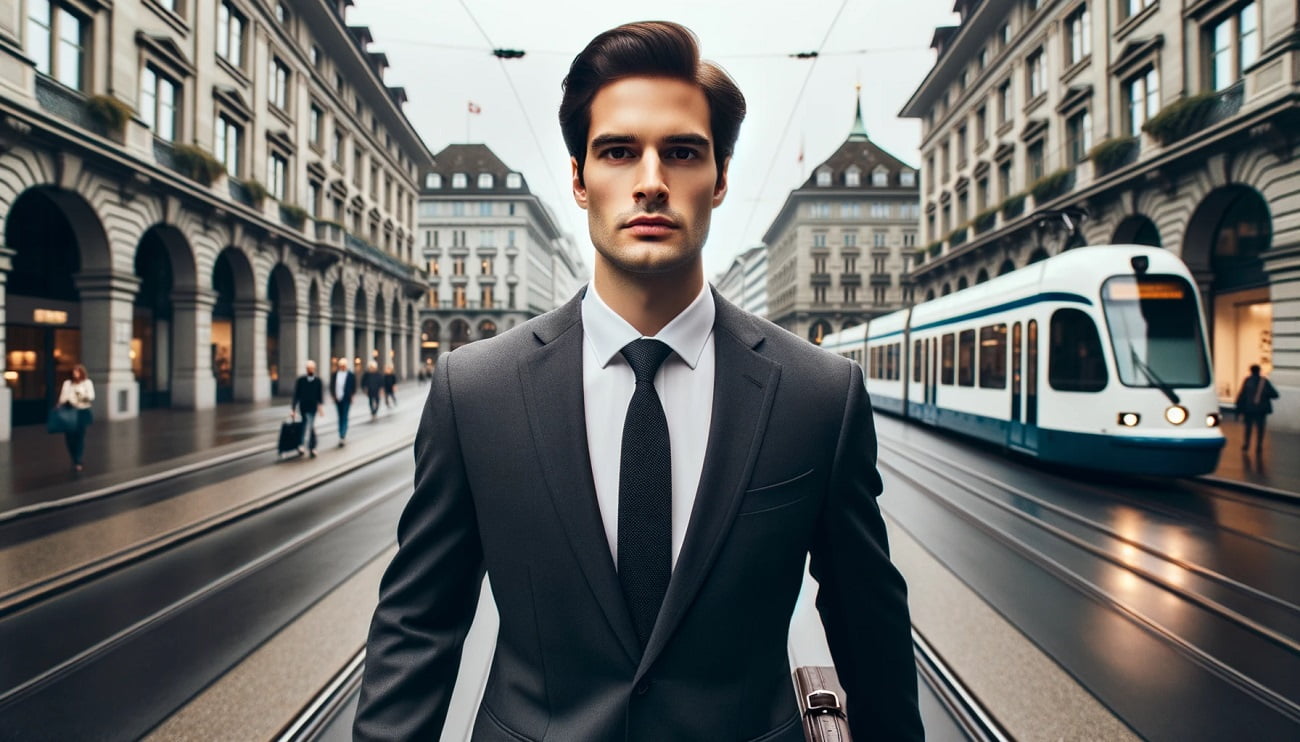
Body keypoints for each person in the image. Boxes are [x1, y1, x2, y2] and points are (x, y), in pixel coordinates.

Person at [355, 21, 920, 741]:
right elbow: (418, 623)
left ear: (718, 179)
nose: (651, 181)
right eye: (618, 151)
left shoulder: (819, 395)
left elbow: (870, 629)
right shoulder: (476, 391)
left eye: (681, 152)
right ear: (579, 179)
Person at [57, 364, 94, 472]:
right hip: (69, 411)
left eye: (77, 372)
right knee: (69, 437)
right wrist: (61, 404)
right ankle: (74, 457)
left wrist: (80, 396)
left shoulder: (87, 383)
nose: (75, 374)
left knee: (79, 436)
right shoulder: (67, 384)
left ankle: (78, 460)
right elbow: (62, 397)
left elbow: (91, 396)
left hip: (81, 411)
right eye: (74, 372)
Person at [1236, 363, 1279, 453]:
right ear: (1259, 371)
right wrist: (1265, 395)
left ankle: (1246, 444)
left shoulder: (1247, 381)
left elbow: (1242, 395)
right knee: (1260, 428)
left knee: (1248, 428)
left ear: (1250, 371)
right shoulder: (1264, 381)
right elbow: (1275, 394)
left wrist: (1238, 410)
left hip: (1249, 409)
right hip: (1261, 410)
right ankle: (1259, 446)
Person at [290, 360, 324, 458]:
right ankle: (303, 445)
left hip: (313, 407)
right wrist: (293, 409)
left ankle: (311, 447)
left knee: (311, 425)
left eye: (311, 368)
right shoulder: (301, 380)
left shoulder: (318, 381)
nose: (310, 370)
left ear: (314, 369)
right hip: (303, 407)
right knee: (305, 425)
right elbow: (296, 395)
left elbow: (319, 396)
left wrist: (320, 408)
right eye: (308, 368)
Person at [330, 357, 356, 446]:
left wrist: (352, 396)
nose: (342, 367)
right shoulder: (335, 375)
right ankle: (341, 433)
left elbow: (353, 386)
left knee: (344, 416)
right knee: (340, 416)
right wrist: (333, 395)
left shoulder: (350, 375)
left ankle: (342, 435)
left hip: (346, 398)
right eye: (341, 366)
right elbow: (332, 385)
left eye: (344, 366)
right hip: (338, 398)